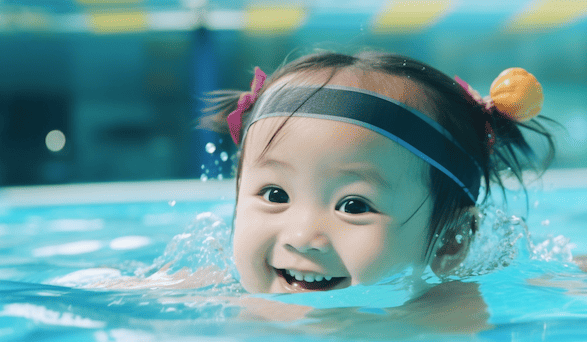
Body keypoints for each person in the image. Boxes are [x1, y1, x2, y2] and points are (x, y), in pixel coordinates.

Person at [200, 50, 555, 299]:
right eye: (275, 195)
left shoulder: (447, 314)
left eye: (353, 206)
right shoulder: (207, 291)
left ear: (452, 241)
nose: (302, 236)